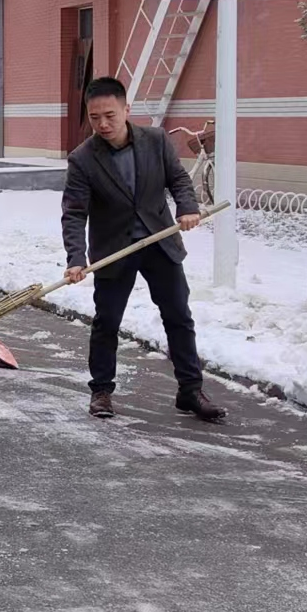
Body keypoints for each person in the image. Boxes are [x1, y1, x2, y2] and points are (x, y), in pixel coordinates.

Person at [63, 77, 225, 422]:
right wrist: (75, 258)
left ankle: (190, 390)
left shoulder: (156, 140)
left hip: (159, 240)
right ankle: (101, 391)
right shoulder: (83, 159)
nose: (103, 124)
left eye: (110, 115)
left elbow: (178, 179)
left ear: (126, 109)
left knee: (178, 316)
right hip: (114, 249)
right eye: (94, 117)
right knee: (107, 321)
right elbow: (74, 213)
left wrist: (187, 208)